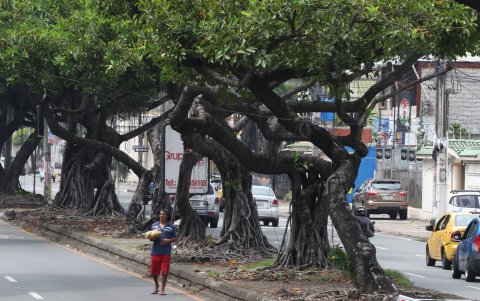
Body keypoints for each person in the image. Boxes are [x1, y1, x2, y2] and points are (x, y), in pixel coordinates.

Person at [149, 209, 178, 295]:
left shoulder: (171, 226)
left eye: (163, 214)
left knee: (165, 271)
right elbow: (151, 238)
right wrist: (152, 238)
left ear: (167, 216)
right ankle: (156, 285)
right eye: (160, 214)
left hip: (166, 252)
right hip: (155, 251)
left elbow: (176, 238)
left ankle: (163, 288)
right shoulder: (154, 225)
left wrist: (168, 241)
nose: (161, 215)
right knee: (154, 271)